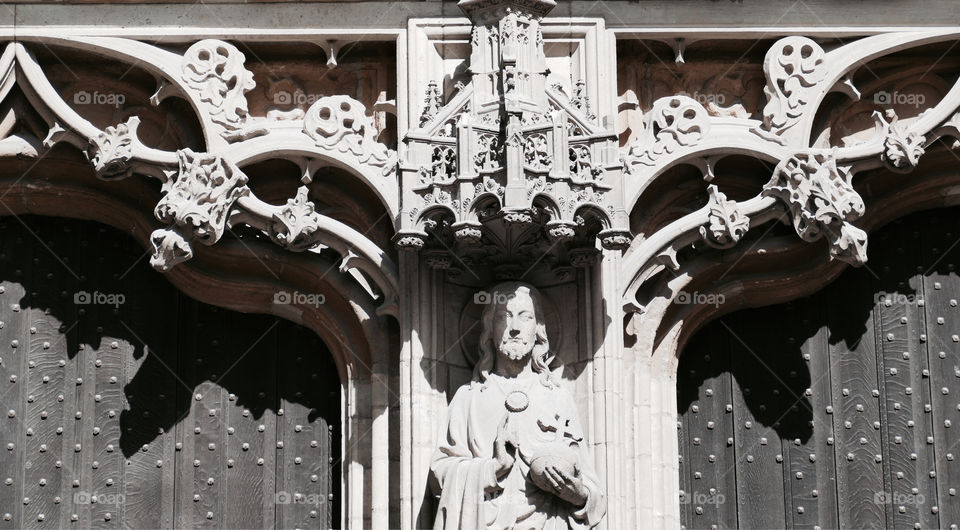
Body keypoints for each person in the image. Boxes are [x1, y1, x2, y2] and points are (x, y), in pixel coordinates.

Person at [430, 282, 606, 530]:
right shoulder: (468, 398)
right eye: (504, 317)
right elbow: (440, 475)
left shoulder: (557, 397)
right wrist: (494, 468)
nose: (514, 328)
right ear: (489, 329)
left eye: (525, 318)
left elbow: (593, 493)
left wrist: (577, 494)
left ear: (538, 330)